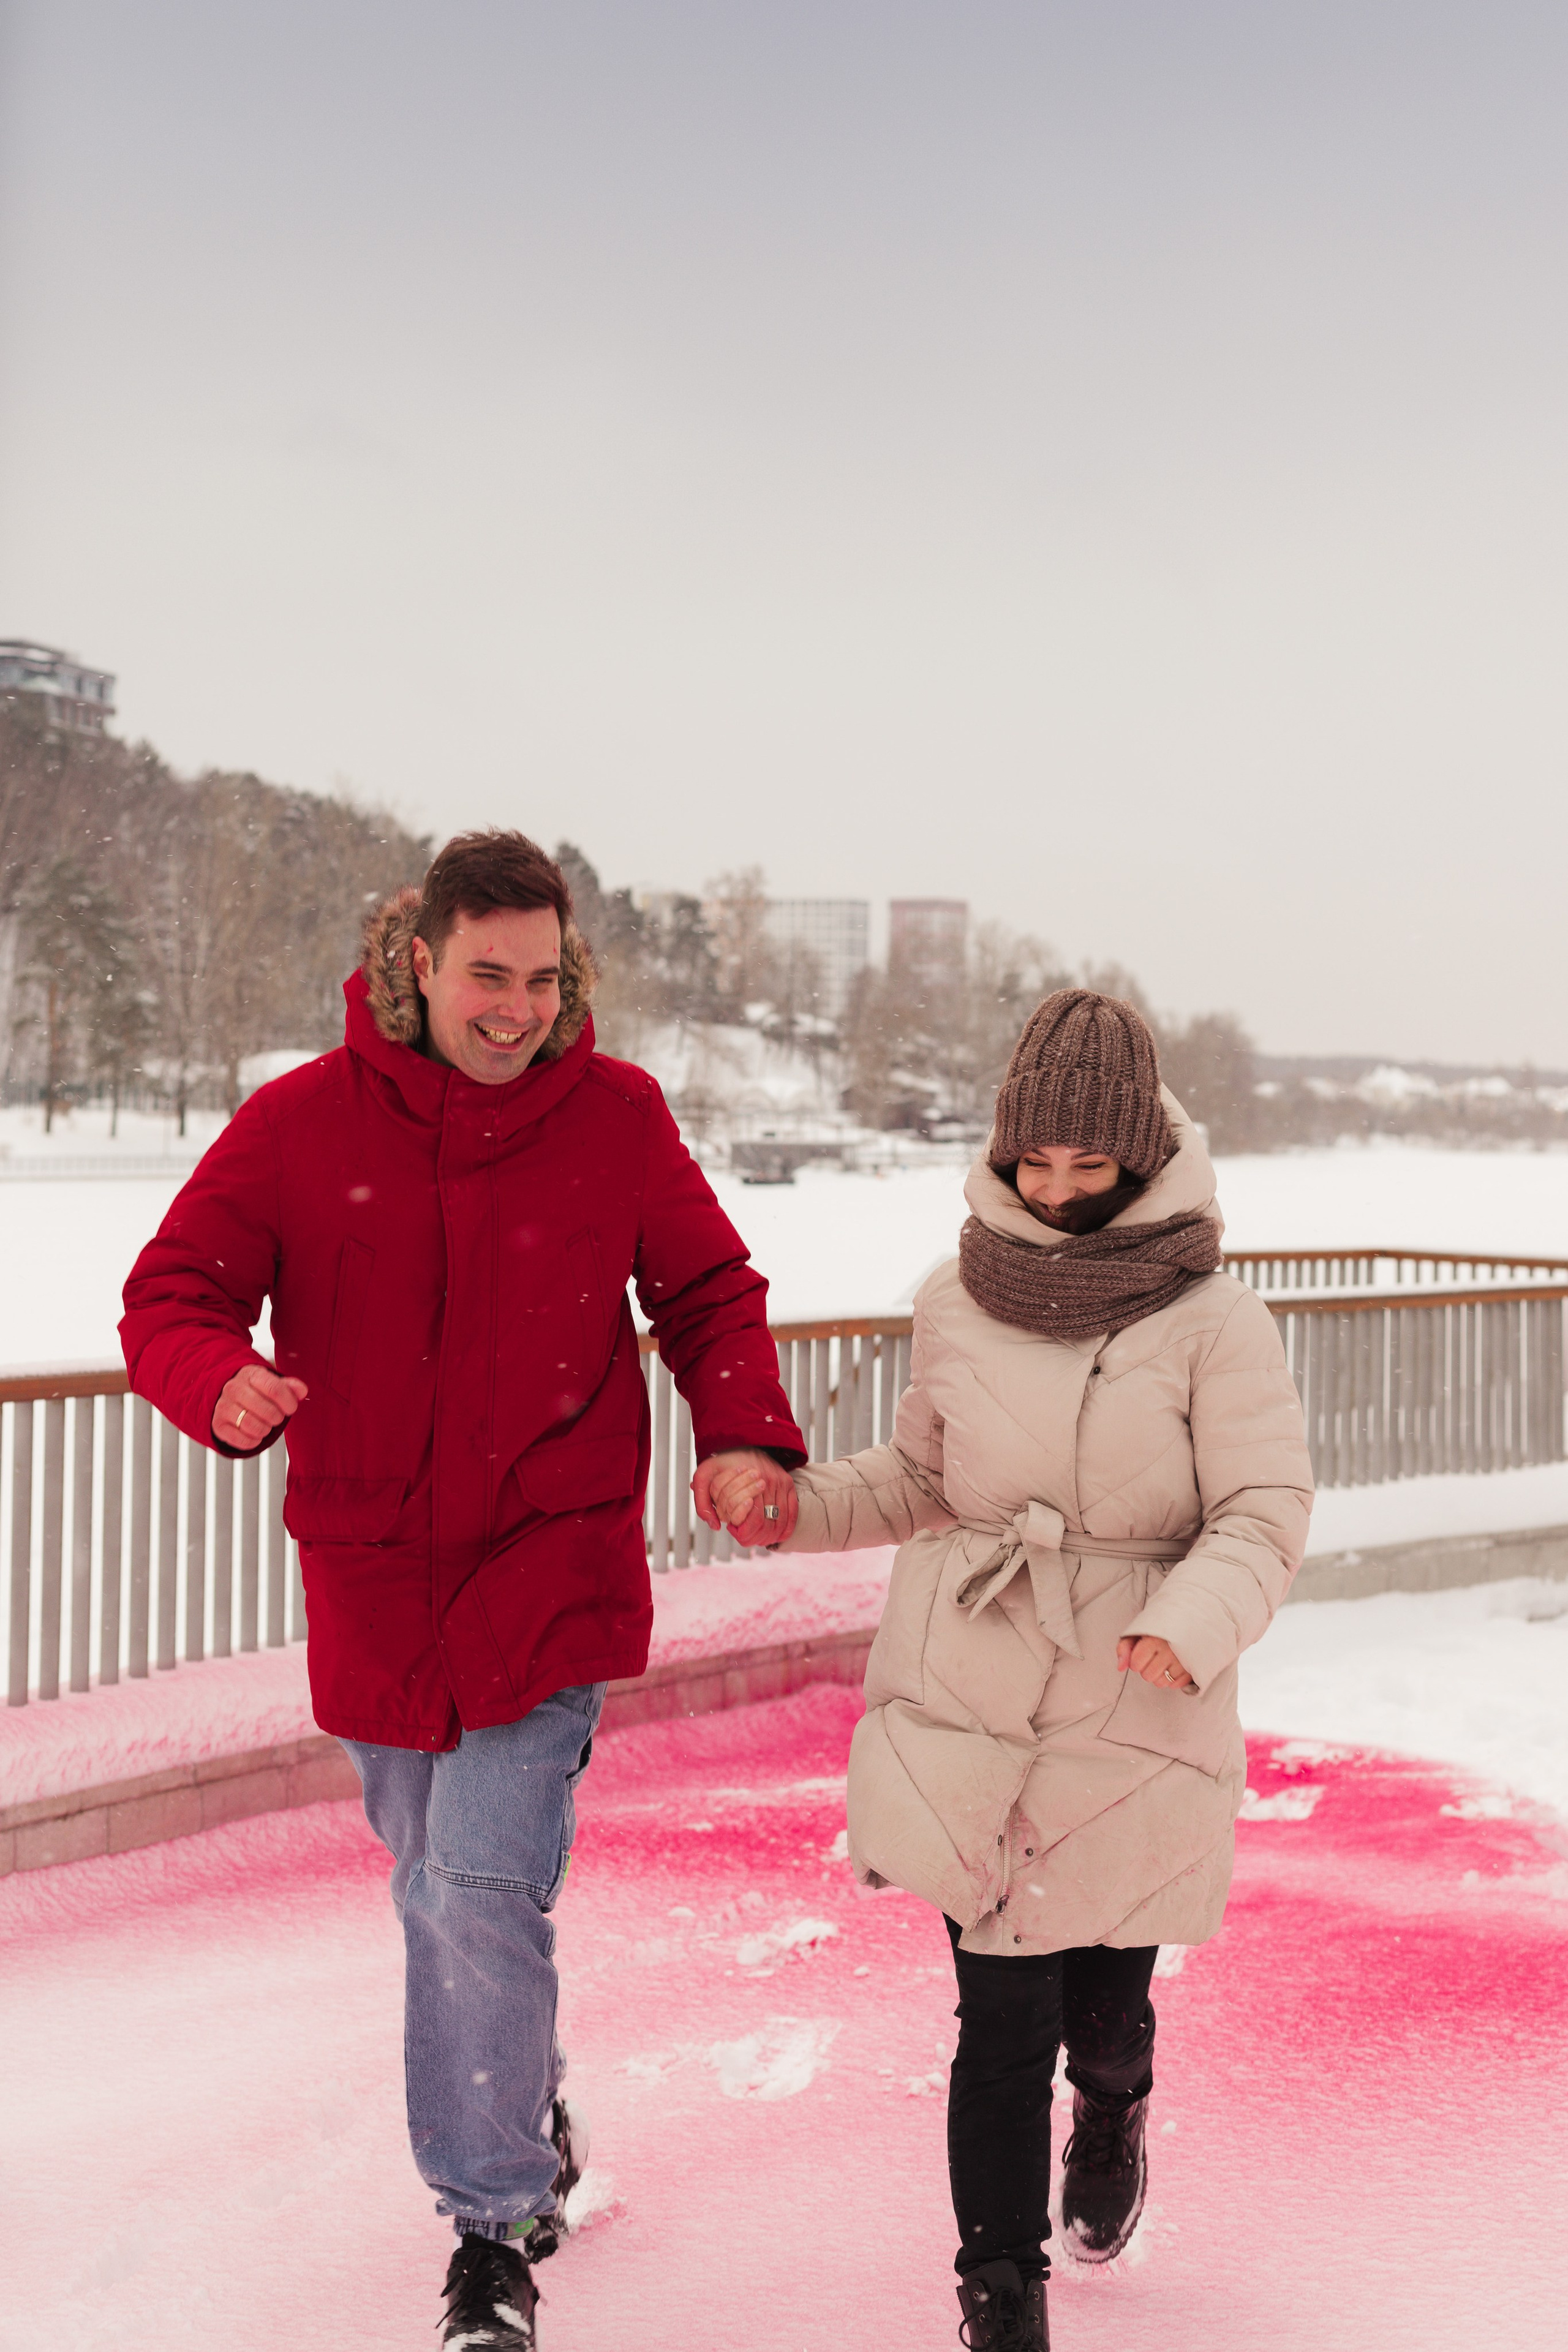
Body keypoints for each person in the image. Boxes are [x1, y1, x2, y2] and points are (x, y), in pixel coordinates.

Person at [119, 830, 803, 2351]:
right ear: (416, 961)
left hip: (547, 1569)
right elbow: (171, 1293)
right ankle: (519, 2078)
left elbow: (704, 1291)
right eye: (485, 975)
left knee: (472, 1890)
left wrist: (746, 1432)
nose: (513, 1009)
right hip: (372, 1579)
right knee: (436, 1891)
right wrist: (216, 1377)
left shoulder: (616, 1116)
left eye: (540, 979)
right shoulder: (300, 1123)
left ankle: (491, 2229)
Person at [712, 989, 1313, 2351]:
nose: (1052, 1189)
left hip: (1131, 1700)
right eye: (1031, 1162)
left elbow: (1262, 1510)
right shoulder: (955, 1292)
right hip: (973, 1691)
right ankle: (1001, 2299)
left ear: (1139, 1159)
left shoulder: (1217, 1320)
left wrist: (1196, 1620)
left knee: (1098, 2014)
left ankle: (1114, 2106)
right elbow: (925, 1476)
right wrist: (789, 1504)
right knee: (998, 2027)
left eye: (1084, 1164)